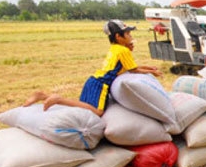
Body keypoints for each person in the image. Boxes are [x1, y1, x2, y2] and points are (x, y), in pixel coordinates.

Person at [24, 19, 162, 116]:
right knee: (98, 112)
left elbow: (129, 67)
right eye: (128, 34)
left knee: (83, 108)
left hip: (93, 80)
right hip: (101, 85)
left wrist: (149, 68)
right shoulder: (123, 51)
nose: (131, 36)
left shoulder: (116, 48)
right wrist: (152, 73)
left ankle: (43, 96)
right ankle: (57, 99)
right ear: (119, 36)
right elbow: (134, 70)